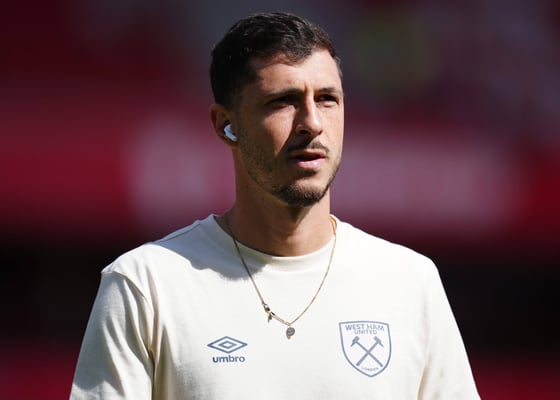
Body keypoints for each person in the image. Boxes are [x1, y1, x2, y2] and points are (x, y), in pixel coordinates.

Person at [70, 12, 480, 399]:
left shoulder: (409, 283)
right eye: (283, 101)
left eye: (327, 99)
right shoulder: (146, 285)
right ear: (226, 125)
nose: (312, 123)